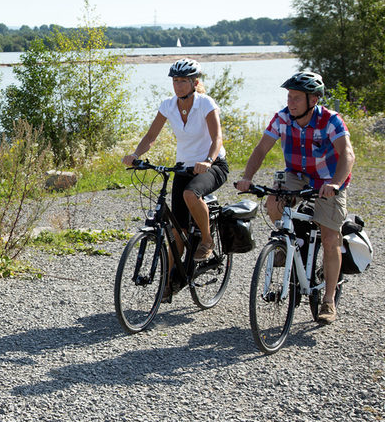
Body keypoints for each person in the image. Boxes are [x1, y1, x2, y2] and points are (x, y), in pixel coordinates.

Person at [235, 71, 355, 324]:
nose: (291, 102)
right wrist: (247, 177)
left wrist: (334, 183)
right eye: (289, 96)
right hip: (296, 174)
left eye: (297, 98)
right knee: (273, 203)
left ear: (313, 100)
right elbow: (261, 149)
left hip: (328, 179)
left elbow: (347, 154)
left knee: (331, 235)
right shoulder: (282, 118)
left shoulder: (330, 121)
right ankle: (286, 244)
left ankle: (328, 300)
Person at [123, 58, 228, 266]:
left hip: (213, 165)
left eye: (183, 81)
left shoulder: (205, 103)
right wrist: (135, 155)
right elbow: (151, 136)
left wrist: (208, 161)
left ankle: (207, 241)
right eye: (175, 81)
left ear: (194, 83)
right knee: (176, 230)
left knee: (191, 194)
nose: (177, 85)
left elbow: (217, 138)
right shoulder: (168, 106)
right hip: (184, 168)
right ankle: (170, 283)